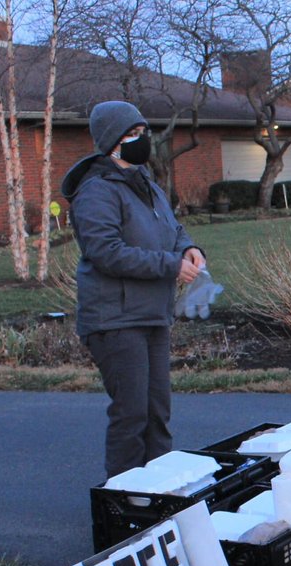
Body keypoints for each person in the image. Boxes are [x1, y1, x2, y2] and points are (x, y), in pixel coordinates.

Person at [63, 101, 206, 479]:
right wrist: (170, 265)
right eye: (132, 134)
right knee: (132, 415)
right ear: (111, 141)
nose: (141, 140)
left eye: (143, 132)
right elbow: (107, 253)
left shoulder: (147, 185)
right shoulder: (96, 192)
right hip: (114, 319)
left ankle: (158, 492)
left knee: (157, 412)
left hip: (152, 314)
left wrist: (189, 249)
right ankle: (125, 501)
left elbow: (173, 230)